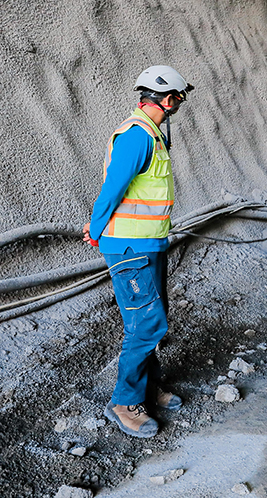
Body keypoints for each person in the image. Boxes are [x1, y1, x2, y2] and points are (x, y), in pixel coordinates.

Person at [83, 65, 193, 439]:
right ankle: (124, 402)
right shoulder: (137, 136)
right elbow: (113, 188)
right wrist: (96, 230)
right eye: (178, 98)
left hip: (150, 244)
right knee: (146, 323)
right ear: (166, 99)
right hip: (129, 247)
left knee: (150, 318)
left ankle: (147, 389)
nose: (179, 104)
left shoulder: (153, 135)